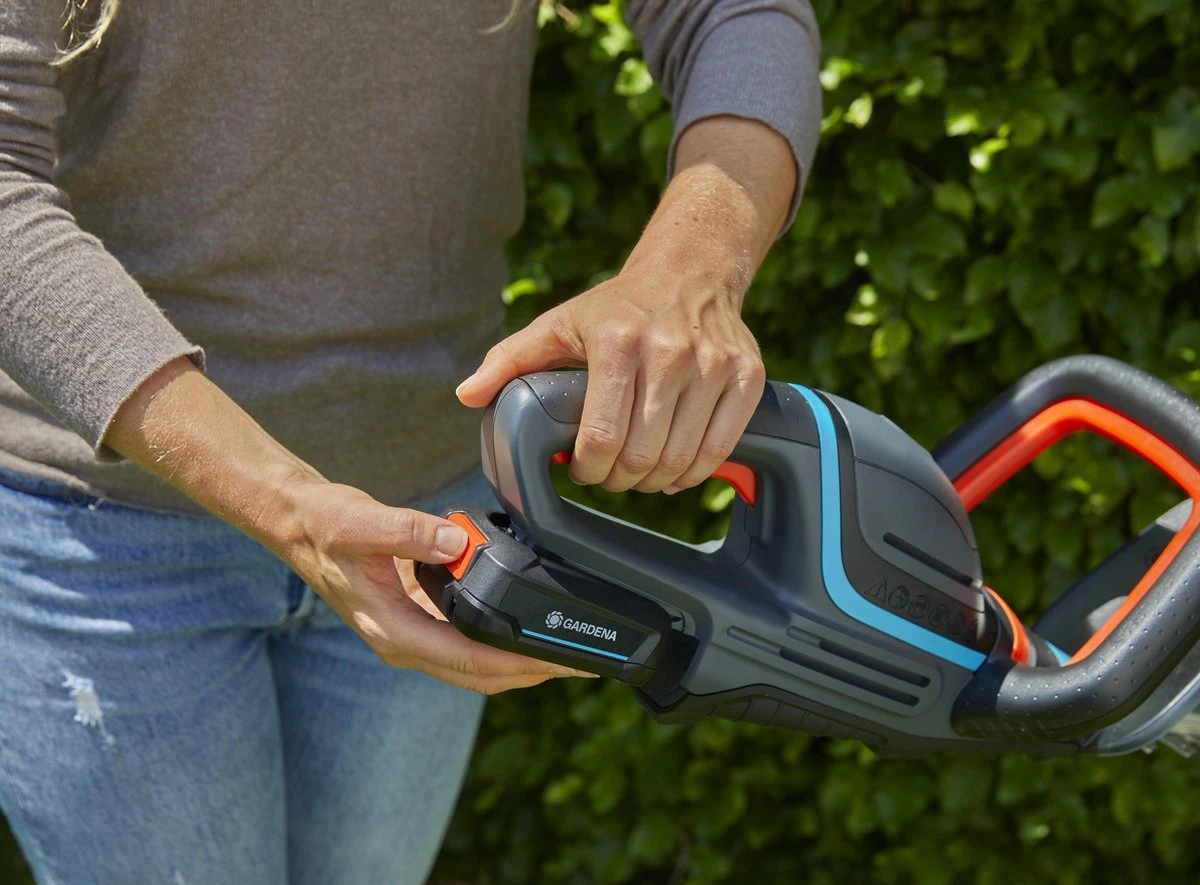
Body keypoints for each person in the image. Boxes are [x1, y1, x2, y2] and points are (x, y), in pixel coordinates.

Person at [0, 0, 821, 881]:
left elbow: (738, 15)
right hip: (102, 542)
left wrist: (690, 269)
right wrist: (288, 506)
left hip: (427, 519)